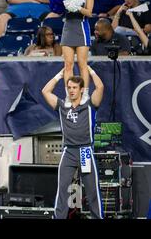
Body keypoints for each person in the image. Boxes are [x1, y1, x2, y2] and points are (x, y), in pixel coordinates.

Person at [42, 67, 104, 219]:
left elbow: (100, 87)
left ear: (82, 90)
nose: (71, 90)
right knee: (62, 189)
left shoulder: (89, 105)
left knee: (91, 190)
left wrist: (90, 71)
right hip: (69, 151)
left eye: (75, 88)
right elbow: (45, 91)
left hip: (84, 151)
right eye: (69, 87)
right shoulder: (63, 106)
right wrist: (60, 74)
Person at [61, 0, 93, 105]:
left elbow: (90, 13)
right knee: (68, 65)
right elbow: (59, 9)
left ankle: (84, 93)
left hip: (81, 27)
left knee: (82, 64)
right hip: (68, 27)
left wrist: (77, 7)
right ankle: (69, 95)